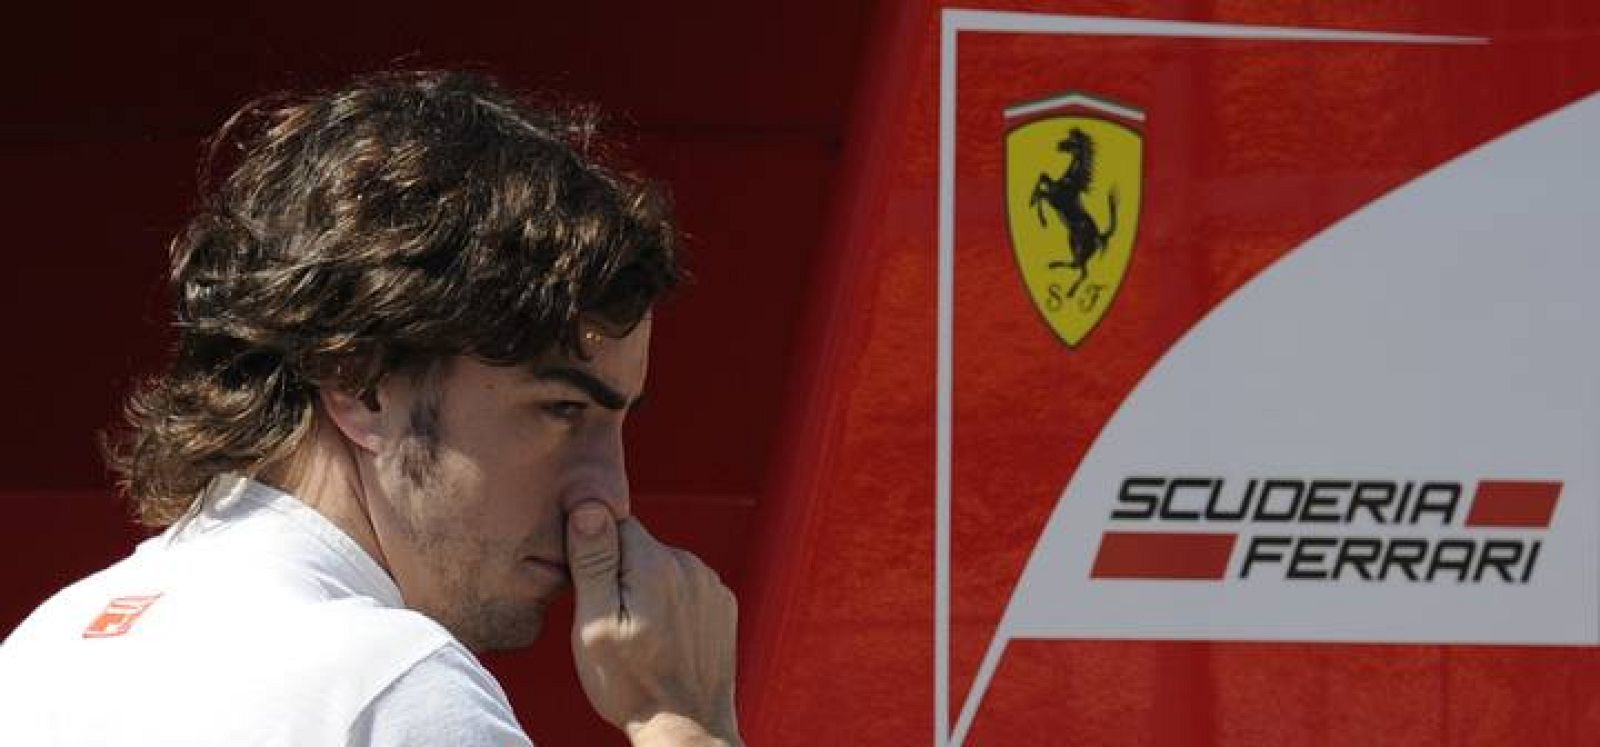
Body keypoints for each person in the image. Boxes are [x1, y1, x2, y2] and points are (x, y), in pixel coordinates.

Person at [0, 70, 741, 746]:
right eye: (560, 410)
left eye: (618, 421)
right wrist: (683, 717)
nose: (611, 494)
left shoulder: (40, 651)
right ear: (360, 381)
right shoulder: (394, 690)